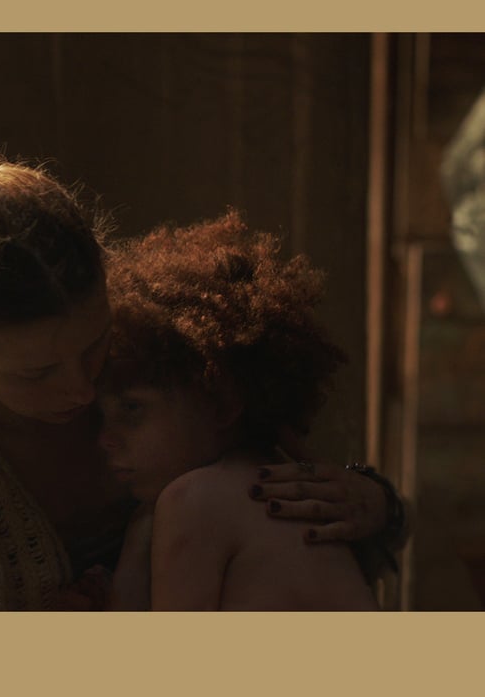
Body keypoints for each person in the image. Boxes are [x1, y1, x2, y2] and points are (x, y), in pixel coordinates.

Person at [0, 160, 402, 611]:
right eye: (38, 373)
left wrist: (375, 506)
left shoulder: (161, 367)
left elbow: (297, 547)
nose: (82, 390)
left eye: (94, 344)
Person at [99, 211, 381, 610]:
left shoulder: (194, 499)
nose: (105, 439)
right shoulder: (280, 485)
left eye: (132, 409)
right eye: (102, 415)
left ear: (222, 403)